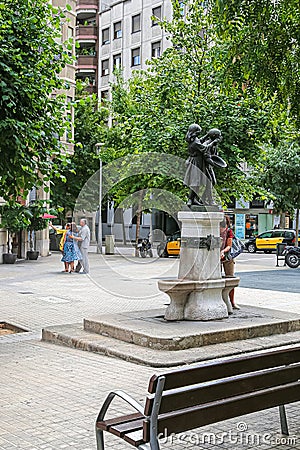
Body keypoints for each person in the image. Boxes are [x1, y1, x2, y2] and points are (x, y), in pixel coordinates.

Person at [184, 124, 223, 206]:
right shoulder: (194, 142)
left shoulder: (194, 139)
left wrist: (207, 135)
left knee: (199, 182)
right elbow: (205, 148)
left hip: (198, 162)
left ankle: (195, 200)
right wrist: (213, 142)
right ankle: (191, 200)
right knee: (196, 182)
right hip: (196, 162)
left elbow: (201, 140)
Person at [220, 216, 240, 310]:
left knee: (230, 279)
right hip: (216, 258)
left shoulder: (228, 231)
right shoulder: (214, 230)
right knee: (216, 279)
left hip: (228, 257)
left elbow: (229, 245)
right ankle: (220, 300)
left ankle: (232, 302)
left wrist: (223, 251)